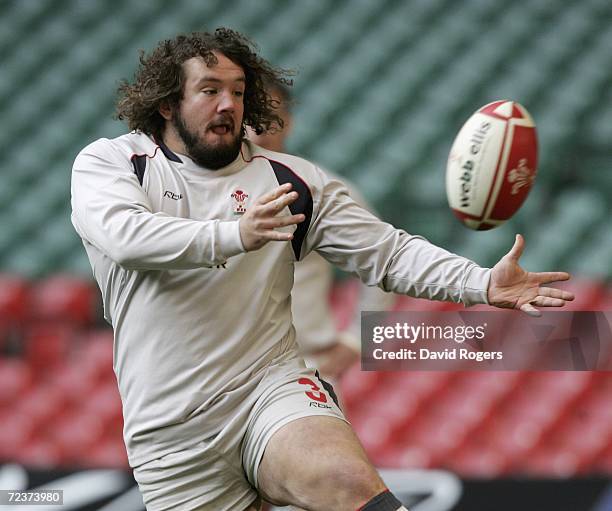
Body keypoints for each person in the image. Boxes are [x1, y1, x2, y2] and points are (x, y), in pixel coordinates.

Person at [70, 28, 574, 511]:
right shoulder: (110, 164)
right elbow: (125, 237)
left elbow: (388, 254)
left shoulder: (295, 181)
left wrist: (480, 282)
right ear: (166, 103)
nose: (228, 104)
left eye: (238, 91)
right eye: (209, 90)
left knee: (348, 483)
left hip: (270, 387)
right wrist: (236, 234)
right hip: (170, 427)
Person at [247, 81, 394, 380]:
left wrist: (357, 340)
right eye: (250, 116)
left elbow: (384, 261)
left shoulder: (322, 190)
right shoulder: (202, 191)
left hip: (305, 366)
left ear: (288, 121)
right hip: (224, 374)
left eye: (270, 114)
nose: (260, 128)